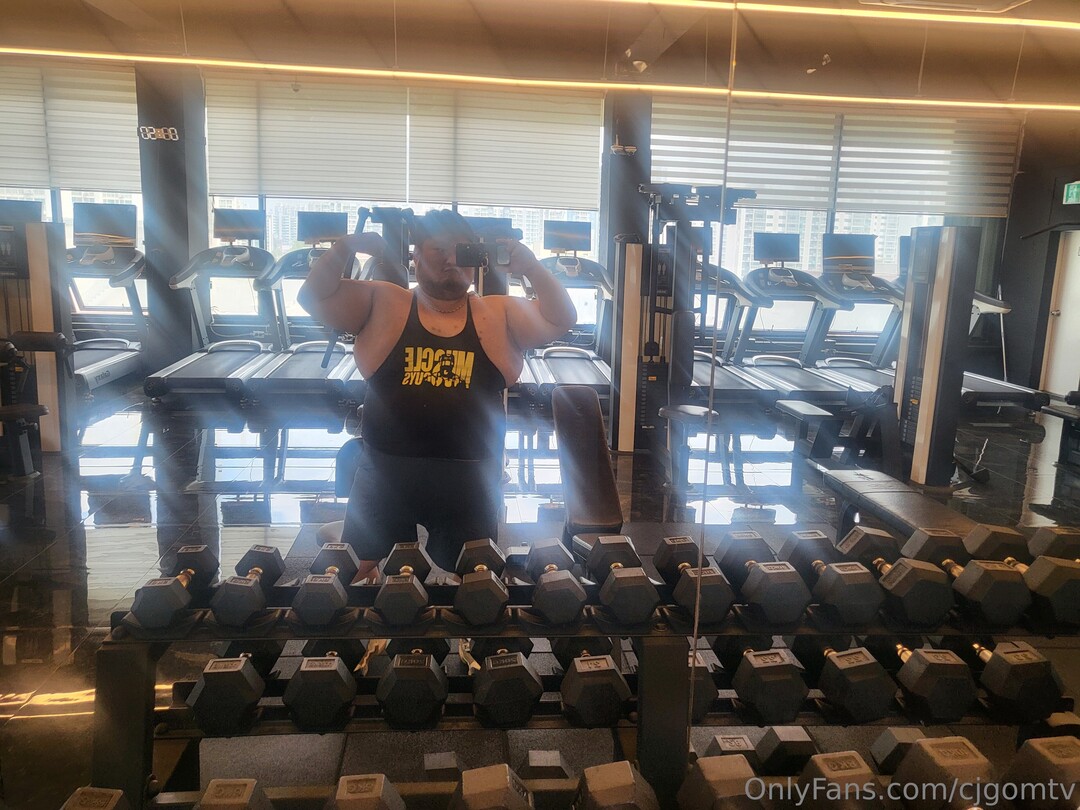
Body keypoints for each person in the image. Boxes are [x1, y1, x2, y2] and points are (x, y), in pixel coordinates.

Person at [299, 210, 577, 578]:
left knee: (474, 578)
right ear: (416, 255)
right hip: (385, 473)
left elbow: (562, 319)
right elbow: (312, 296)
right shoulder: (384, 301)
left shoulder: (498, 311)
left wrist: (531, 268)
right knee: (356, 569)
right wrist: (346, 246)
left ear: (476, 258)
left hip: (469, 479)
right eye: (439, 250)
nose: (450, 260)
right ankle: (357, 558)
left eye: (461, 251)